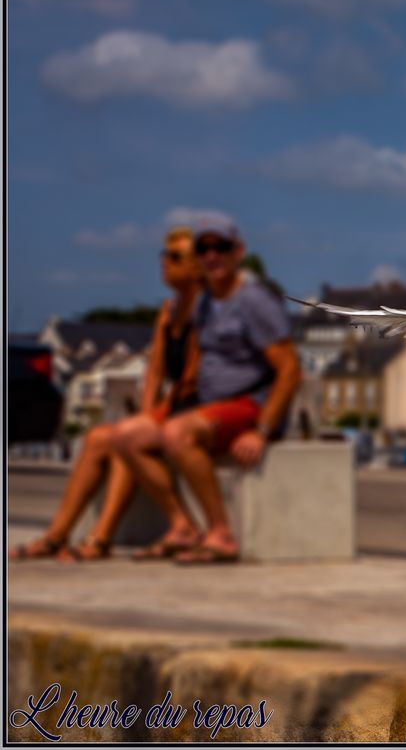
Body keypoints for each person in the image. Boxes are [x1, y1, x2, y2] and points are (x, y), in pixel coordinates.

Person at [9, 227, 203, 561]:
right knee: (98, 437)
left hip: (197, 409)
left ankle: (101, 537)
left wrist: (151, 420)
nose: (164, 263)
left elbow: (192, 379)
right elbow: (155, 369)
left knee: (126, 438)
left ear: (198, 266)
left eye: (175, 257)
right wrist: (147, 410)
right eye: (163, 255)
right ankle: (57, 534)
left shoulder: (208, 313)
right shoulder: (169, 311)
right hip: (171, 409)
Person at [115, 218, 301, 563]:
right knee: (128, 436)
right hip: (209, 406)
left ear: (238, 252)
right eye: (203, 249)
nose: (212, 256)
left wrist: (263, 431)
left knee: (177, 434)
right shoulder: (205, 303)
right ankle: (182, 525)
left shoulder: (253, 301)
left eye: (221, 248)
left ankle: (220, 533)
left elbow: (289, 369)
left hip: (250, 404)